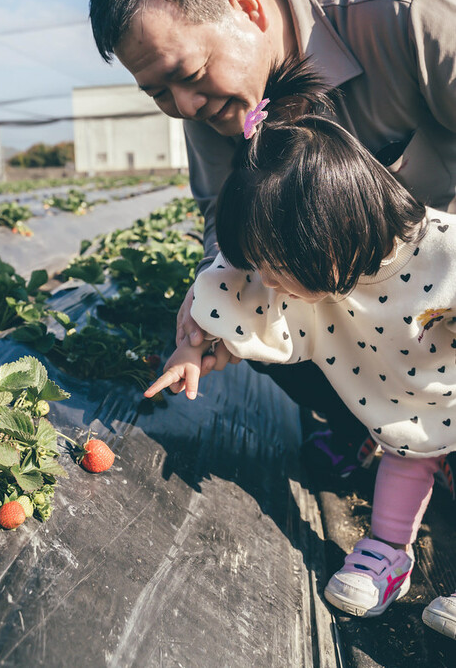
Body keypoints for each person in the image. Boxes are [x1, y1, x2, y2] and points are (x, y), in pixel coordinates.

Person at [89, 0, 456, 475]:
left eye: (187, 74)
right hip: (359, 312)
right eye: (158, 93)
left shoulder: (405, 22)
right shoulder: (211, 112)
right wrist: (213, 297)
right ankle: (378, 430)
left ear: (246, 6)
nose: (185, 106)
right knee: (247, 314)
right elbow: (224, 223)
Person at [143, 58, 456, 635]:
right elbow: (247, 304)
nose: (275, 284)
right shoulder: (317, 271)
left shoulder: (442, 252)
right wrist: (196, 349)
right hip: (407, 404)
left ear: (332, 230)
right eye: (265, 269)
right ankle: (390, 553)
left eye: (281, 270)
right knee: (406, 454)